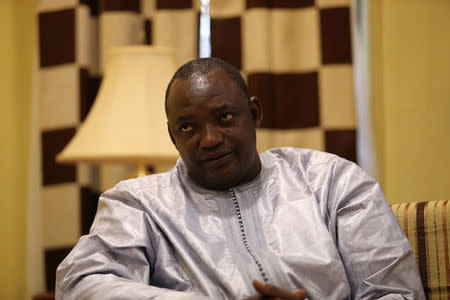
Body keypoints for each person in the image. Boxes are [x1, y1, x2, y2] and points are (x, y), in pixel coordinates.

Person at [56, 57, 425, 299]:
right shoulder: (138, 204)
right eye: (188, 127)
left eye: (225, 118)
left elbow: (396, 291)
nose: (210, 139)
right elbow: (79, 284)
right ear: (173, 137)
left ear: (254, 113)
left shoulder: (331, 181)